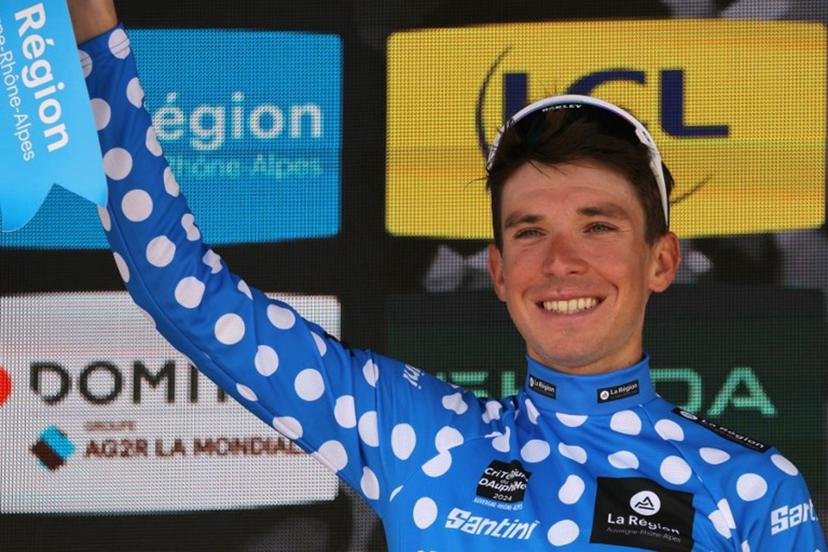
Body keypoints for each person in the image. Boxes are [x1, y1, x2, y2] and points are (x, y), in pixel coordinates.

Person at [69, 1, 826, 549]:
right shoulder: (420, 435)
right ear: (496, 270)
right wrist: (95, 41)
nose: (561, 262)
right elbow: (183, 291)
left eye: (598, 226)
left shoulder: (754, 491)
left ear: (661, 260)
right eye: (530, 231)